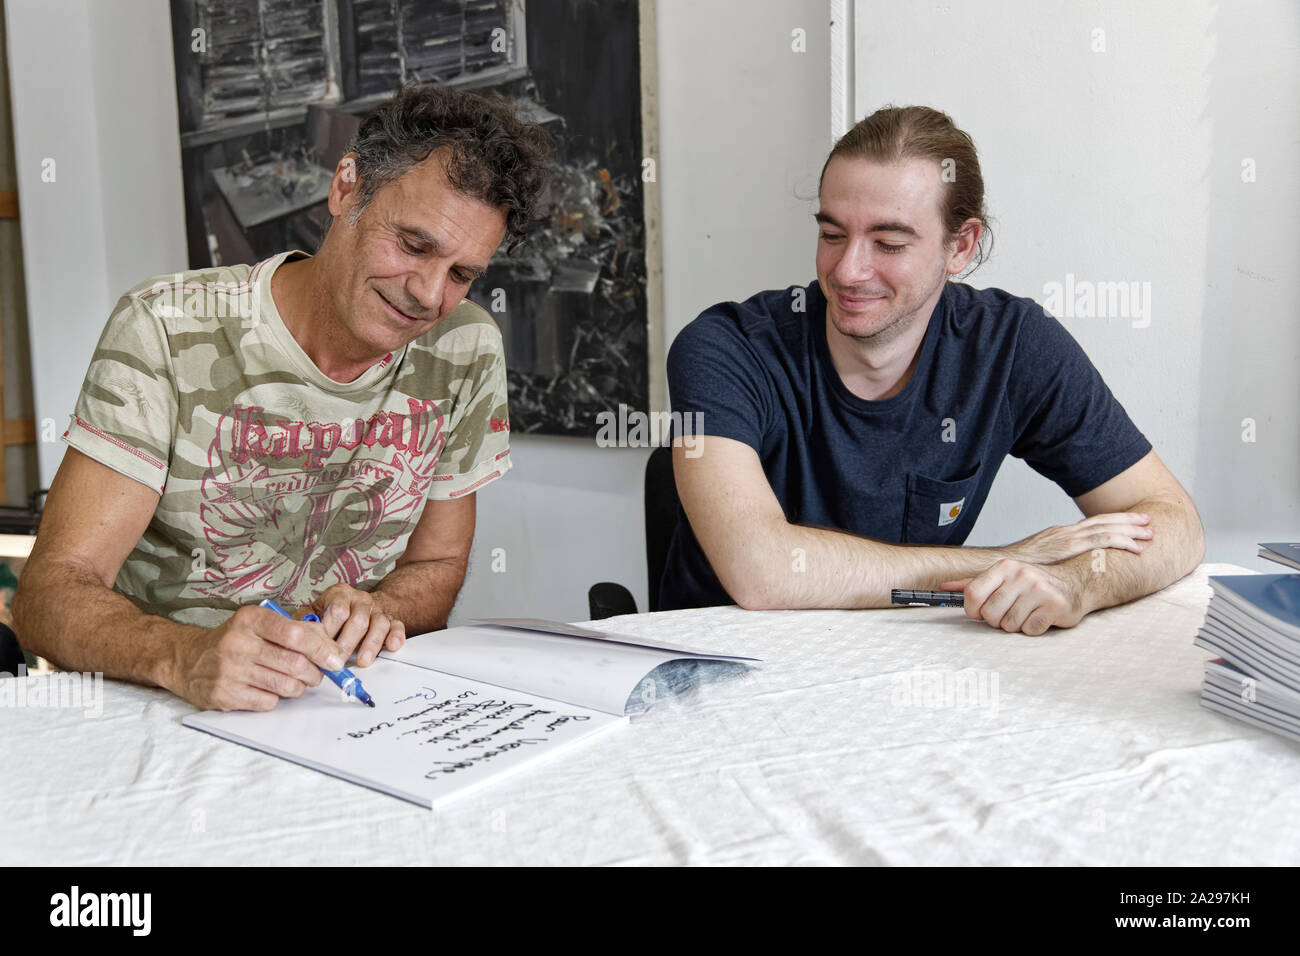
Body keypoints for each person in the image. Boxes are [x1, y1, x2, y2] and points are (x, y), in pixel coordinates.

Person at [14, 84, 550, 710]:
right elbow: (49, 594)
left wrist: (379, 608)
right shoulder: (165, 326)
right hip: (163, 705)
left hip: (341, 709)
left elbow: (436, 564)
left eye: (462, 274)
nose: (430, 295)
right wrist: (185, 655)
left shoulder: (466, 347)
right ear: (346, 188)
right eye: (413, 245)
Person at [661, 105, 1204, 635]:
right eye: (831, 235)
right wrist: (1009, 560)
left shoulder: (1012, 346)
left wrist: (1081, 584)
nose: (848, 270)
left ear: (960, 246)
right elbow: (764, 573)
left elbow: (1176, 526)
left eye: (889, 243)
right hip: (720, 674)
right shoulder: (724, 349)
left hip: (910, 670)